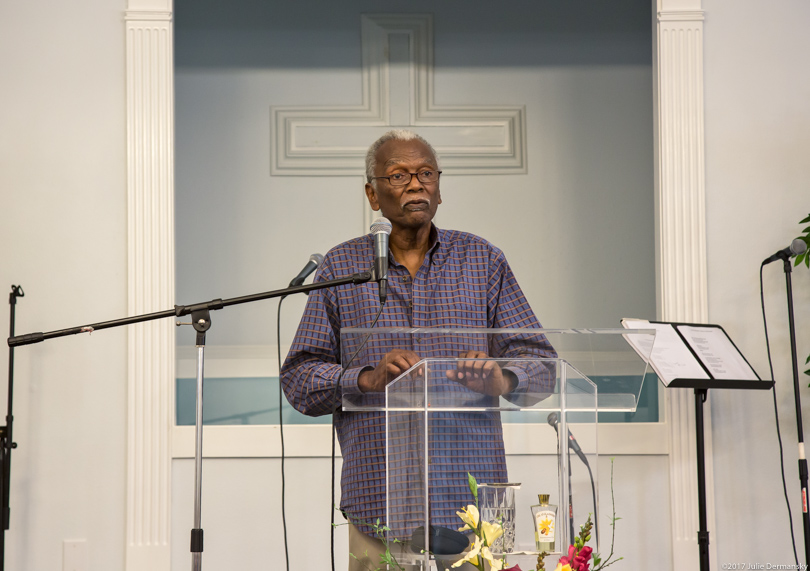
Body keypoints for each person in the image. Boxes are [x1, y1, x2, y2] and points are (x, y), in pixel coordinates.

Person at [280, 129, 555, 570]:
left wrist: (502, 377)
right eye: (398, 175)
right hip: (379, 506)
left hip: (471, 505)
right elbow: (299, 379)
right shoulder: (341, 268)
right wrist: (365, 378)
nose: (415, 183)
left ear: (440, 190)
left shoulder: (483, 261)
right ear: (373, 194)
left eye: (426, 173)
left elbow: (542, 365)